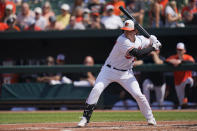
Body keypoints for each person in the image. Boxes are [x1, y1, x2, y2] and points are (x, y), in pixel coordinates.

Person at [77, 19, 161, 127]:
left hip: (126, 73)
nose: (126, 32)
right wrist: (153, 47)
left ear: (135, 31)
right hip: (108, 71)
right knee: (96, 89)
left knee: (139, 95)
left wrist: (153, 40)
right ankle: (85, 118)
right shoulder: (122, 40)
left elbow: (151, 44)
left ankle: (150, 118)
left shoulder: (141, 40)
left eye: (129, 31)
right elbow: (138, 54)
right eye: (125, 30)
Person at [166, 42, 195, 108]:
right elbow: (166, 60)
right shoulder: (174, 57)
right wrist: (173, 61)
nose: (179, 51)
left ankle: (186, 98)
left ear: (184, 50)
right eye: (178, 50)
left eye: (181, 50)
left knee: (189, 80)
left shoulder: (188, 57)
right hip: (178, 83)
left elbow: (192, 61)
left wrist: (181, 61)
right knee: (182, 104)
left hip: (186, 80)